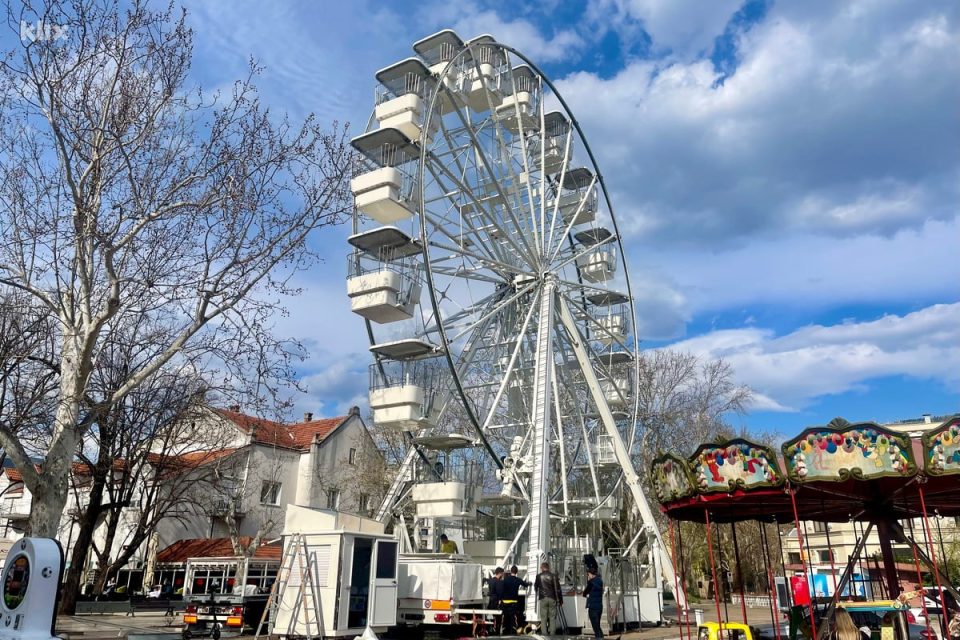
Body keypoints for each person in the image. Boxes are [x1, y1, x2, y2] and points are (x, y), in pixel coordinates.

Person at [534, 562, 563, 635]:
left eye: (541, 568)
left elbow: (535, 587)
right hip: (552, 598)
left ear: (542, 568)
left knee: (543, 617)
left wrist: (539, 592)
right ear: (548, 567)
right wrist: (560, 600)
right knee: (552, 617)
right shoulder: (553, 576)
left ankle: (544, 633)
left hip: (543, 598)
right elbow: (558, 589)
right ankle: (552, 633)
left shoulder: (539, 576)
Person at [501, 565, 529, 634]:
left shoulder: (505, 579)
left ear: (510, 571)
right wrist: (529, 583)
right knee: (512, 617)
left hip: (505, 601)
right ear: (516, 572)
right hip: (513, 601)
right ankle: (512, 631)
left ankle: (505, 631)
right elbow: (525, 584)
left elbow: (502, 589)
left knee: (506, 616)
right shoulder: (518, 580)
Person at [582, 568, 604, 639]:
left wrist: (589, 581)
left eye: (588, 574)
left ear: (591, 574)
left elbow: (584, 593)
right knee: (597, 626)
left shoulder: (591, 583)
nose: (588, 576)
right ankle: (601, 638)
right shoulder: (600, 581)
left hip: (593, 608)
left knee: (595, 627)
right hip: (599, 607)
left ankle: (599, 638)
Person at [486, 567, 505, 634]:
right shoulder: (499, 582)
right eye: (502, 573)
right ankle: (497, 631)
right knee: (498, 617)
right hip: (496, 602)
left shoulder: (491, 580)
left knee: (490, 616)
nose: (503, 575)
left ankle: (489, 630)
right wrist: (500, 600)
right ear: (500, 573)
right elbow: (500, 593)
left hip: (490, 601)